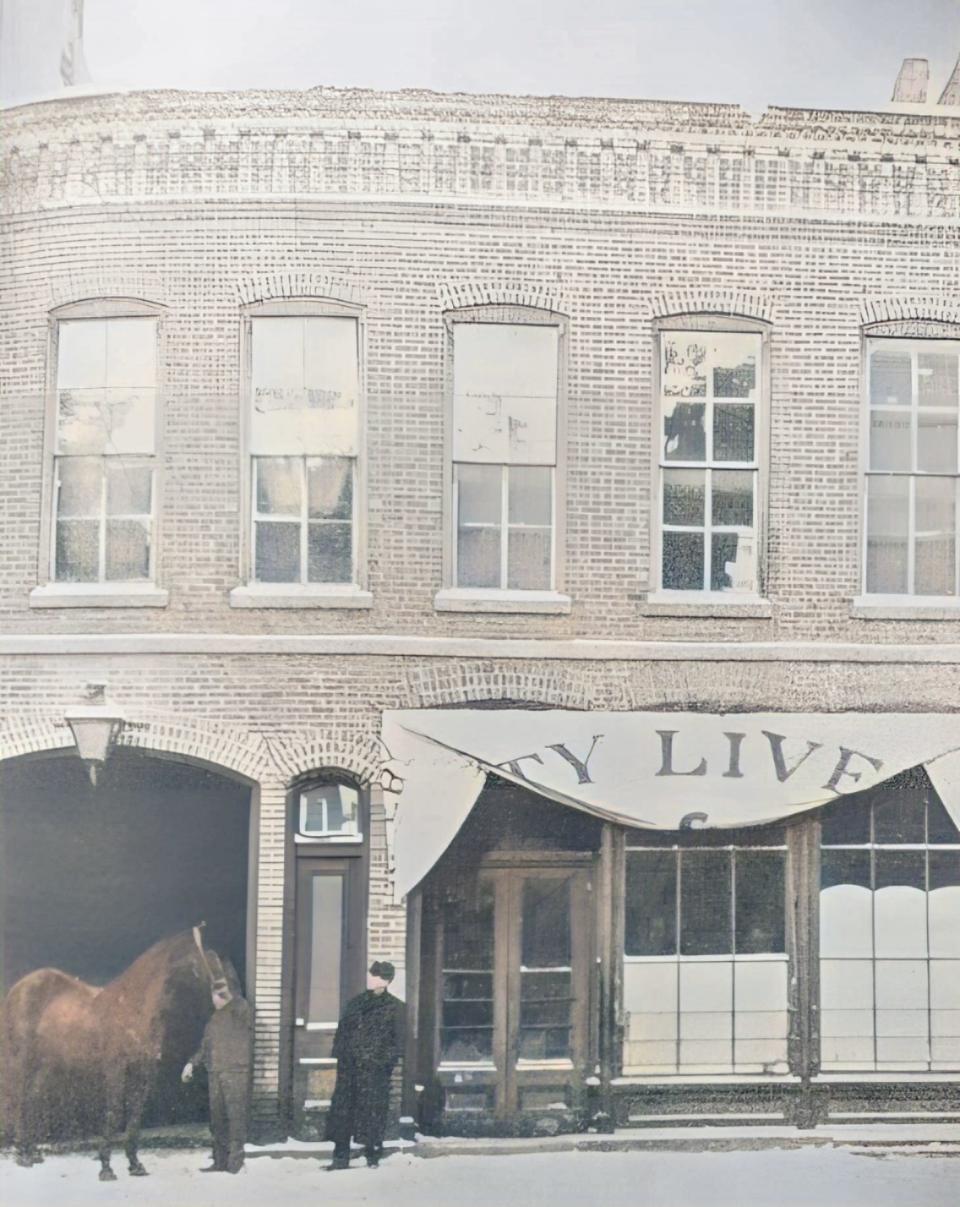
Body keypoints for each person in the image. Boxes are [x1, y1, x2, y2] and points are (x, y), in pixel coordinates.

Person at [325, 960, 404, 1171]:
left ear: (386, 981)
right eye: (370, 974)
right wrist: (342, 1060)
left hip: (374, 1072)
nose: (370, 978)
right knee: (343, 1113)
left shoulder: (396, 1008)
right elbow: (342, 1034)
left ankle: (372, 1155)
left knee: (373, 1112)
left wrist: (381, 1063)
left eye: (375, 976)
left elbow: (399, 1043)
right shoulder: (355, 1003)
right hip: (350, 1069)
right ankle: (340, 1158)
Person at [181, 965, 253, 1175]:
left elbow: (237, 998)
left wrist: (223, 980)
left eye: (216, 995)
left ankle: (235, 1164)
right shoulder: (214, 1019)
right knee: (218, 1120)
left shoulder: (240, 1010)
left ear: (225, 996)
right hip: (216, 1073)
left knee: (236, 1118)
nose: (214, 1000)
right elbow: (205, 1046)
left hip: (235, 1072)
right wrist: (191, 1063)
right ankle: (220, 1161)